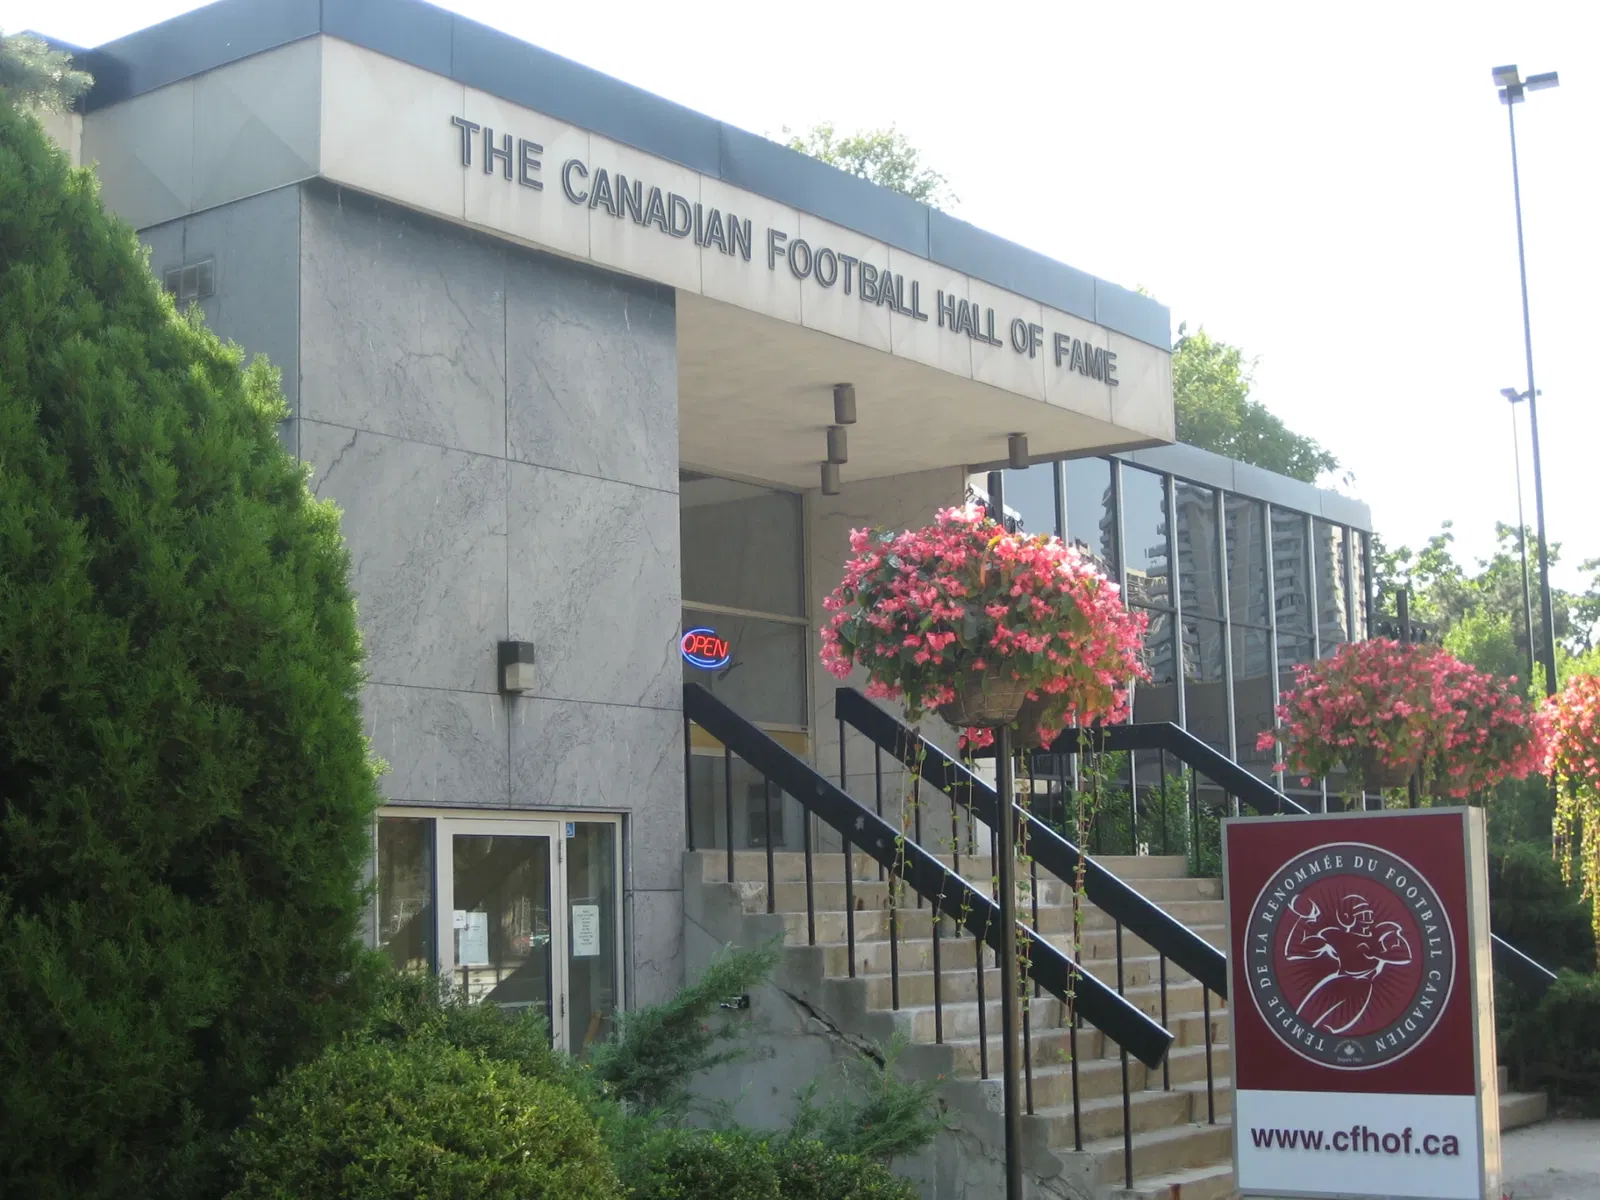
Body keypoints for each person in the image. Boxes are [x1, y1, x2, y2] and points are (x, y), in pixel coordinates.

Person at [1283, 891, 1412, 1034]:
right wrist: (1308, 918)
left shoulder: (1381, 934)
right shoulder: (1336, 935)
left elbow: (1404, 955)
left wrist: (1378, 949)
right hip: (1334, 984)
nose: (1368, 920)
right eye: (1362, 915)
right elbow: (1295, 951)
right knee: (1304, 1020)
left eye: (1369, 915)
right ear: (1346, 918)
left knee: (1328, 1027)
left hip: (1359, 988)